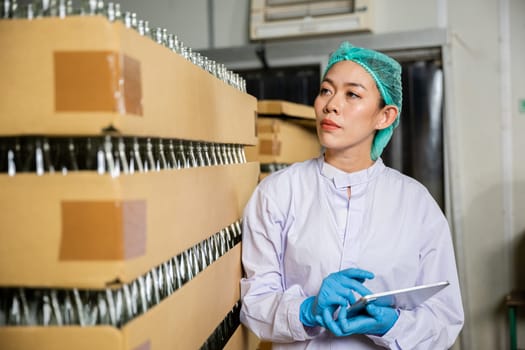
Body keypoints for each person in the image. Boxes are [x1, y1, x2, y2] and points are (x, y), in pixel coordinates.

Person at [239, 41, 464, 349]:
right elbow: (255, 304)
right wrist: (307, 310)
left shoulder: (416, 204)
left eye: (352, 94)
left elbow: (445, 318)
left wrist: (393, 324)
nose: (331, 104)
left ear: (384, 116)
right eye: (326, 90)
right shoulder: (278, 193)